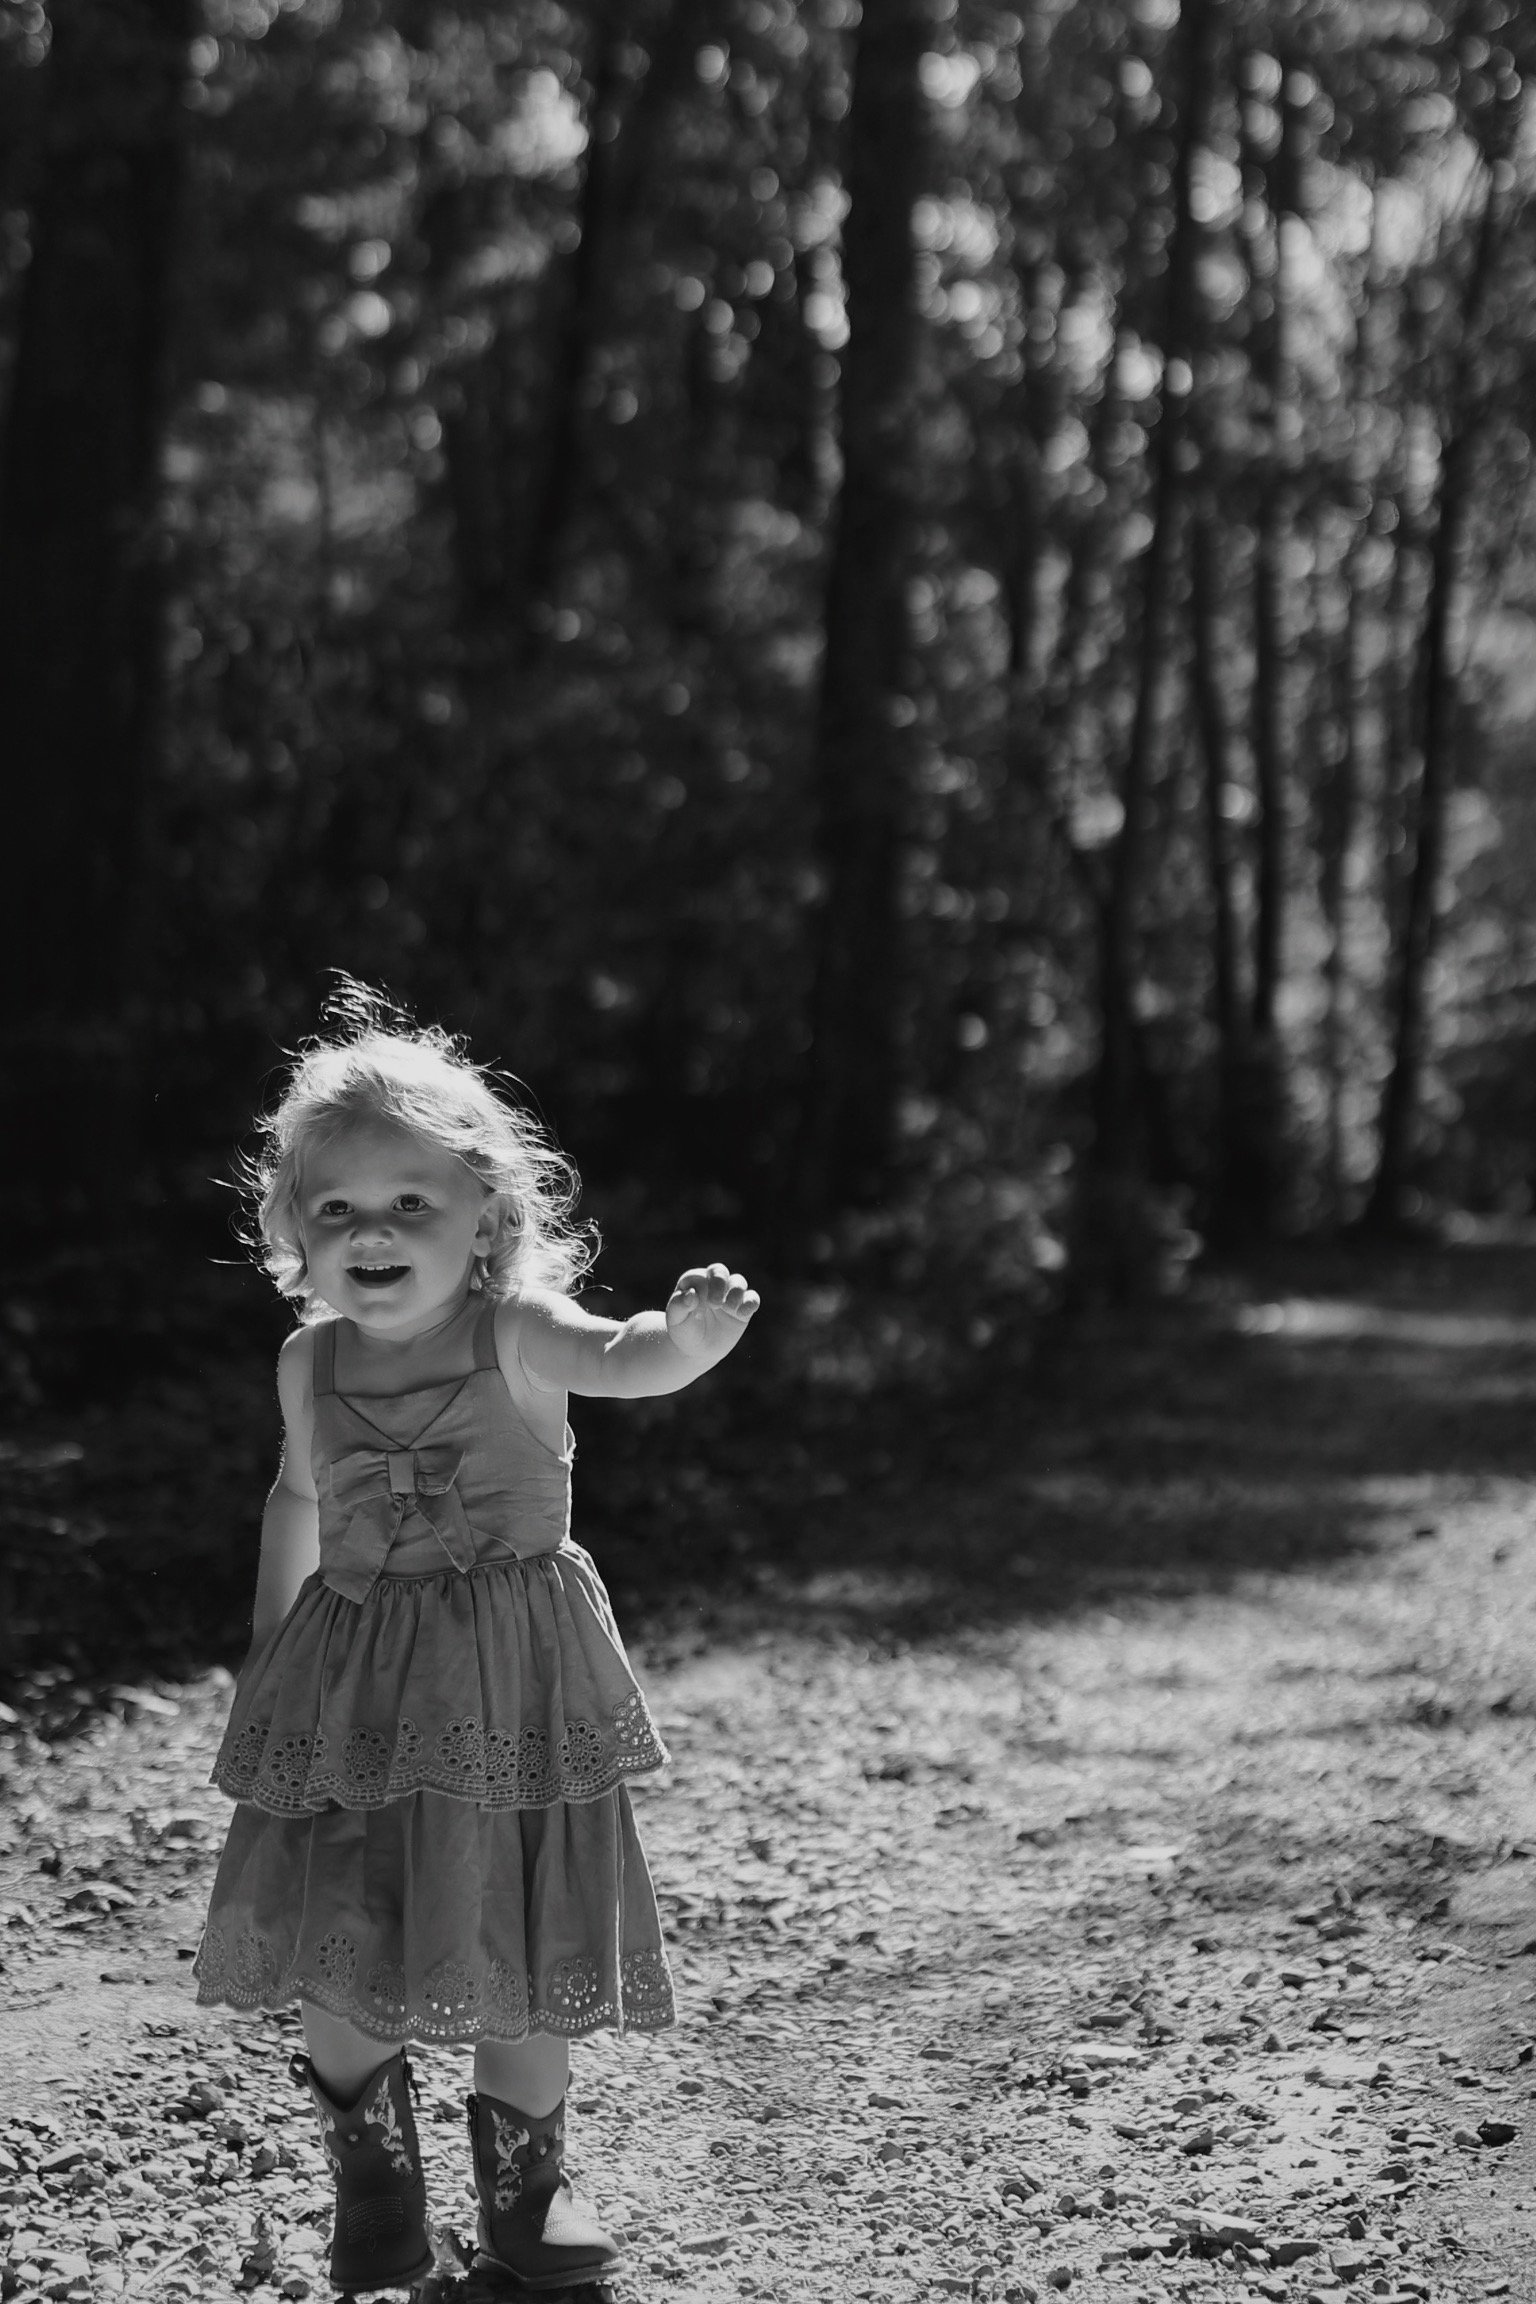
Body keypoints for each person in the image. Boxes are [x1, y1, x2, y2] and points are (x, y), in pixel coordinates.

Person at [193, 984, 759, 2294]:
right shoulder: (308, 1364)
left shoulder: (518, 1334)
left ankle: (525, 2200)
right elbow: (297, 1498)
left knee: (520, 1951)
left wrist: (685, 1339)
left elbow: (622, 1357)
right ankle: (373, 2180)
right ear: (291, 1228)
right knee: (339, 1927)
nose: (371, 1231)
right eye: (335, 1208)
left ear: (487, 1218)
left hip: (508, 1700)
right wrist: (269, 1656)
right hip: (346, 1698)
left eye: (411, 1203)